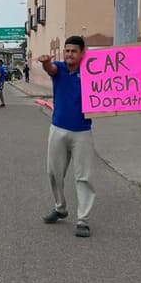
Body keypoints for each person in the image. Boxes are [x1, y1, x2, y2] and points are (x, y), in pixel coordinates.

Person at [40, 36, 97, 237]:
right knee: (54, 173)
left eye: (73, 51)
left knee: (84, 177)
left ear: (82, 53)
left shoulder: (93, 72)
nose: (69, 54)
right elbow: (51, 69)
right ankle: (60, 208)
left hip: (82, 131)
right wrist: (46, 61)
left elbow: (126, 82)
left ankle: (83, 220)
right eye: (67, 50)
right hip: (58, 129)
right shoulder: (60, 69)